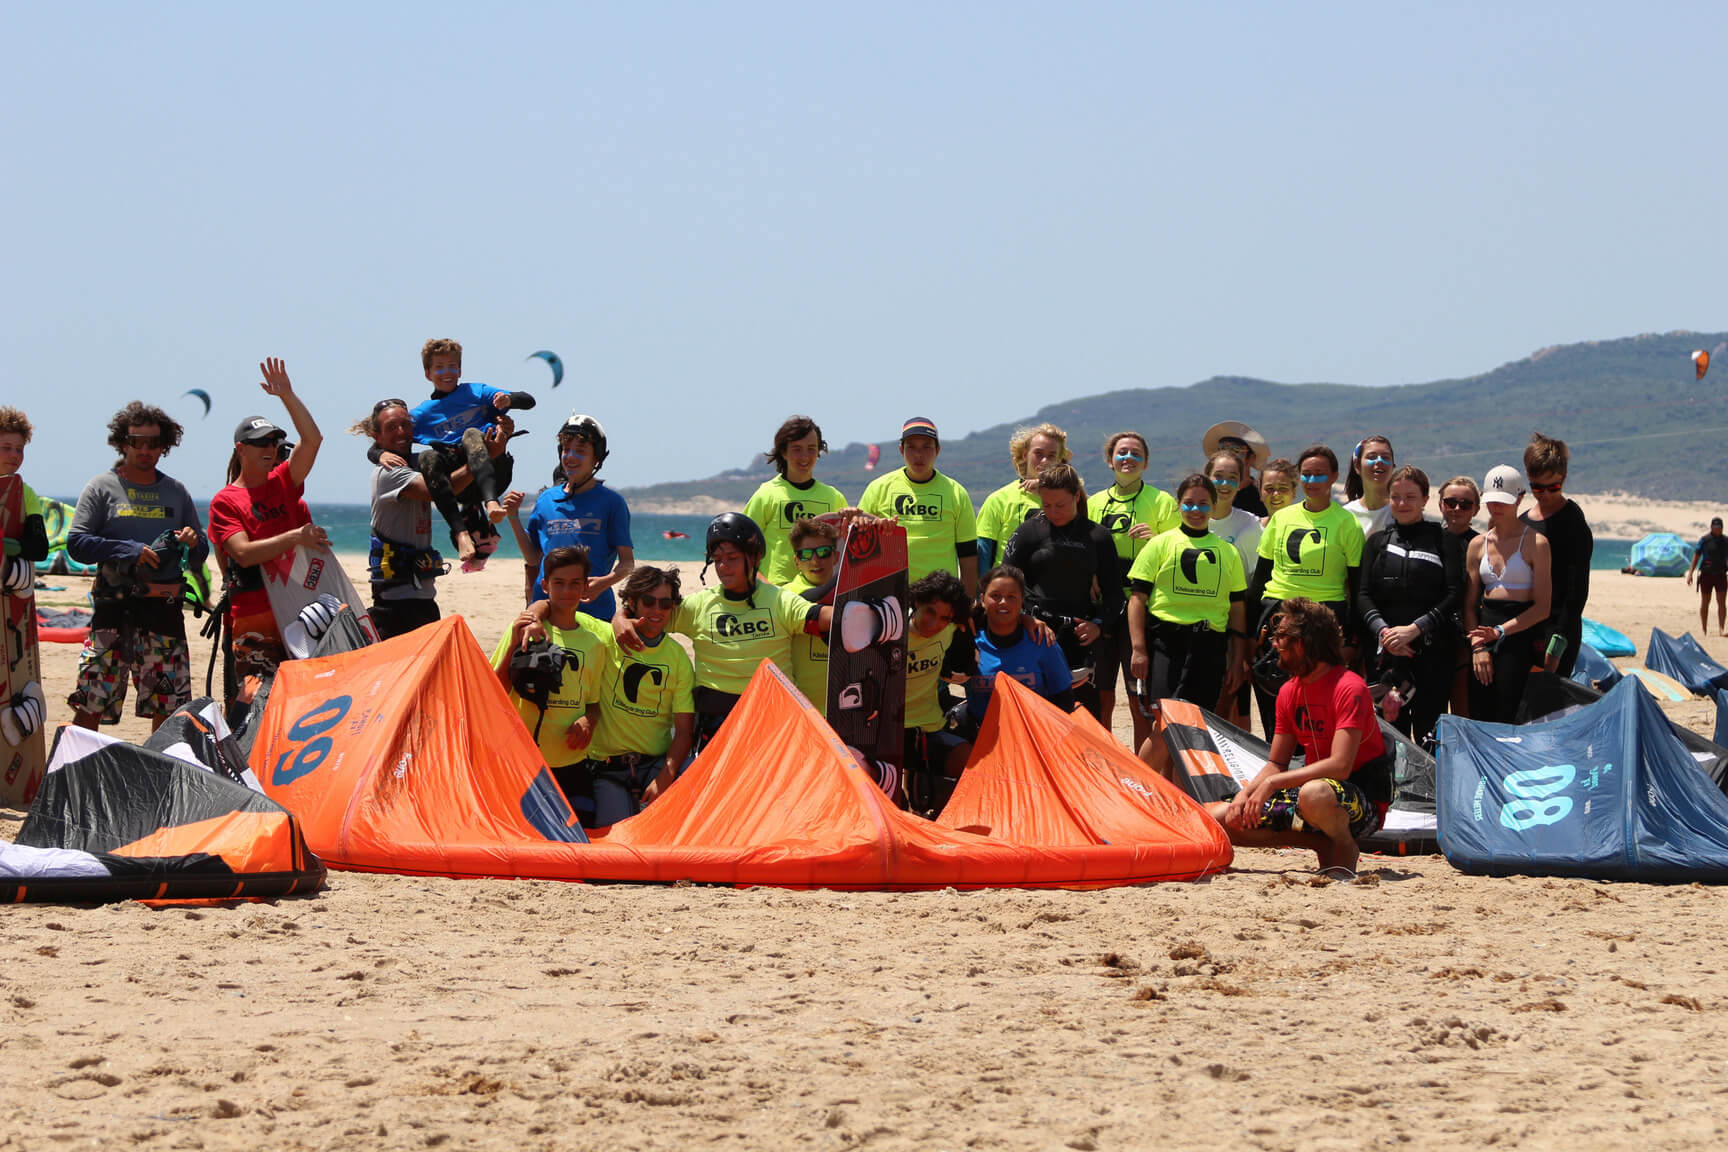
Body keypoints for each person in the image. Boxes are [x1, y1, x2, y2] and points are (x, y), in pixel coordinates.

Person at [609, 513, 831, 755]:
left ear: (756, 557)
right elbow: (649, 614)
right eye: (717, 560)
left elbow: (821, 617)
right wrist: (619, 618)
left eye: (732, 558)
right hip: (717, 726)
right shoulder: (699, 606)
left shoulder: (779, 600)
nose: (723, 567)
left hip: (772, 721)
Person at [1206, 597, 1393, 875]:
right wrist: (1245, 796)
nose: (1274, 644)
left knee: (1314, 793)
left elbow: (1340, 766)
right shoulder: (1289, 691)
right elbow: (1276, 763)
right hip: (1313, 796)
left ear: (1303, 644)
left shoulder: (1349, 687)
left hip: (1360, 801)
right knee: (1219, 818)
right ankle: (1317, 842)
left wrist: (1272, 785)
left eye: (1281, 637)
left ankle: (1344, 844)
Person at [66, 401, 210, 731]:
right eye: (136, 441)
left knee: (169, 708)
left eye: (153, 443)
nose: (145, 450)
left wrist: (193, 541)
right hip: (113, 614)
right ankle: (76, 776)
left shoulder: (176, 492)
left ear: (165, 446)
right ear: (122, 443)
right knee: (91, 701)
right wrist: (129, 550)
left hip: (163, 615)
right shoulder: (101, 488)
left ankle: (160, 781)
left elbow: (201, 552)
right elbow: (77, 544)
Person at [207, 359, 326, 697]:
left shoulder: (284, 481)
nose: (271, 449)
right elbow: (242, 554)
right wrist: (295, 537)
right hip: (254, 614)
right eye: (262, 443)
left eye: (274, 443)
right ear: (241, 449)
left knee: (302, 699)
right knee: (255, 703)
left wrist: (287, 395)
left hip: (296, 608)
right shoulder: (225, 501)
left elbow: (313, 439)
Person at [355, 398, 513, 640]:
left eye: (405, 425)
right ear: (377, 435)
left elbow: (446, 482)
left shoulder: (418, 465)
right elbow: (436, 490)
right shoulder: (388, 473)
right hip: (393, 603)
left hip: (424, 598)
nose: (401, 432)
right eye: (391, 427)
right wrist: (479, 461)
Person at [1126, 474, 1249, 767]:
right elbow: (1137, 599)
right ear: (1179, 505)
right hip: (1167, 644)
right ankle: (1137, 789)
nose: (1196, 510)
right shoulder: (1159, 544)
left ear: (1213, 506)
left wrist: (1236, 659)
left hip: (1210, 647)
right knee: (1166, 724)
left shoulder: (1227, 552)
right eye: (1189, 504)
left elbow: (1237, 610)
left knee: (1196, 729)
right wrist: (1139, 648)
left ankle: (1186, 802)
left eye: (1203, 504)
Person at [1248, 445, 1365, 736]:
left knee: (1317, 707)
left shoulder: (1346, 522)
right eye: (1307, 475)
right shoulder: (1282, 518)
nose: (1312, 481)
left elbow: (1357, 584)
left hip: (1325, 619)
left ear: (1334, 477)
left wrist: (1352, 636)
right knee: (1274, 702)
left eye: (1320, 475)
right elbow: (1261, 577)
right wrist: (1249, 633)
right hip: (1278, 616)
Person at [569, 566, 695, 827]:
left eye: (665, 603)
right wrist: (535, 613)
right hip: (608, 768)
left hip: (655, 764)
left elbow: (683, 731)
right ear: (632, 603)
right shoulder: (606, 637)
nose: (657, 610)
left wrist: (665, 777)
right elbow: (556, 609)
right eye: (648, 601)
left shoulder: (678, 657)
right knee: (613, 844)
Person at [390, 338, 535, 563]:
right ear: (428, 373)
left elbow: (529, 400)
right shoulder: (422, 414)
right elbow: (384, 442)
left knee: (471, 434)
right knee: (428, 457)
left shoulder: (476, 392)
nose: (446, 372)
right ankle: (461, 533)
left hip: (494, 473)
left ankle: (491, 502)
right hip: (461, 484)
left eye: (452, 366)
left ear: (459, 369)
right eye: (439, 367)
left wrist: (509, 399)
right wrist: (380, 454)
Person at [492, 546, 606, 822]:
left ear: (584, 587)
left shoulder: (594, 644)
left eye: (574, 584)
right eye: (559, 583)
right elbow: (494, 689)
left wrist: (588, 722)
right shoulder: (524, 628)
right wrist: (516, 645)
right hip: (525, 763)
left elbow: (593, 704)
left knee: (578, 846)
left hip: (573, 763)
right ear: (544, 585)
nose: (567, 591)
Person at [1002, 463, 1119, 720]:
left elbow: (1114, 594)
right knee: (1035, 717)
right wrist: (1024, 618)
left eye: (1061, 505)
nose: (1053, 512)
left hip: (1079, 637)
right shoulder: (1028, 532)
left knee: (1083, 719)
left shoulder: (1098, 536)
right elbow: (1004, 583)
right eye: (1046, 505)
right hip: (1035, 633)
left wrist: (1098, 625)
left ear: (1077, 496)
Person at [1356, 466, 1463, 745]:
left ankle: (1431, 790)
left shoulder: (1445, 541)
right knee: (1391, 739)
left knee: (1430, 737)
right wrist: (1386, 634)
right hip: (1386, 655)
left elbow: (1454, 595)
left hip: (1431, 653)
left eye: (1410, 497)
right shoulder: (1377, 543)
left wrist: (1414, 630)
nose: (1402, 504)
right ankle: (1393, 790)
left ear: (1426, 498)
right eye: (1396, 496)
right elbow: (1363, 594)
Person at [1088, 430, 1180, 738]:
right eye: (1122, 453)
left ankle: (1141, 767)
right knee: (1101, 693)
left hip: (1142, 604)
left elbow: (1180, 553)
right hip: (1103, 605)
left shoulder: (1162, 502)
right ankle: (1102, 766)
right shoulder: (1094, 502)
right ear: (1110, 460)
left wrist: (1155, 540)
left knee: (1137, 694)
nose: (1129, 458)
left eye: (1136, 453)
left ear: (1147, 462)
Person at [511, 413, 635, 621]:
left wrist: (603, 583)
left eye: (580, 451)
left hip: (595, 610)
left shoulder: (612, 503)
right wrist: (513, 517)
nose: (570, 456)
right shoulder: (546, 500)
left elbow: (627, 563)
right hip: (547, 607)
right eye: (566, 450)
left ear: (597, 458)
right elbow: (533, 557)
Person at [1463, 465, 1552, 724]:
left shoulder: (1537, 543)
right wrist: (1478, 646)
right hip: (1484, 633)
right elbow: (1469, 605)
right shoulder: (1478, 544)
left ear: (1519, 499)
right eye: (1491, 501)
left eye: (1504, 501)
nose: (1496, 507)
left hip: (1520, 637)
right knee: (1480, 712)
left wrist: (1501, 631)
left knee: (1514, 714)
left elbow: (1542, 607)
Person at [951, 566, 1076, 739]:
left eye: (1011, 597)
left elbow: (1065, 701)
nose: (1003, 602)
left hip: (1033, 738)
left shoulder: (1042, 641)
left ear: (1022, 601)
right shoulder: (968, 641)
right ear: (982, 599)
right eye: (995, 596)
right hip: (982, 740)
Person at [858, 417, 979, 595]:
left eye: (926, 447)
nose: (918, 455)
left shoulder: (956, 492)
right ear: (901, 450)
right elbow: (859, 545)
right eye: (911, 447)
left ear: (938, 450)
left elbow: (968, 555)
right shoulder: (878, 488)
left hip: (941, 599)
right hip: (890, 595)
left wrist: (967, 604)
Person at [744, 416, 853, 587]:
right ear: (783, 452)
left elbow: (847, 548)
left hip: (822, 594)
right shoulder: (766, 495)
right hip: (778, 594)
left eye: (811, 448)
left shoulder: (833, 497)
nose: (804, 456)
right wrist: (765, 585)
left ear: (819, 451)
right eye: (797, 449)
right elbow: (743, 549)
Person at [902, 570, 975, 814]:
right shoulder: (892, 629)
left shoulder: (952, 629)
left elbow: (999, 611)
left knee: (969, 761)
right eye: (930, 611)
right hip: (889, 732)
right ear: (917, 601)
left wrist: (1031, 621)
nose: (934, 624)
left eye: (944, 618)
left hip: (929, 727)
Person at [1520, 432, 1592, 677]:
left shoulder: (1573, 521)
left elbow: (1577, 590)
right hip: (1525, 627)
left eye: (1554, 487)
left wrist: (1558, 641)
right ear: (1528, 478)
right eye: (1537, 488)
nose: (1546, 495)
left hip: (1558, 628)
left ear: (1564, 477)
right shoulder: (1522, 523)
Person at [1202, 449, 1262, 729]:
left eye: (1232, 478)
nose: (1224, 484)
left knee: (1235, 707)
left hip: (1233, 627)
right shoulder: (1189, 517)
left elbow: (1253, 582)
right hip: (1194, 625)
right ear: (1207, 478)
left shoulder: (1249, 524)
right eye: (1218, 477)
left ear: (1241, 483)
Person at [975, 423, 1070, 572]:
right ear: (1025, 455)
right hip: (1009, 590)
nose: (1044, 461)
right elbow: (983, 553)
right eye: (1038, 454)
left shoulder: (1070, 501)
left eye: (1051, 456)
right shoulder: (999, 500)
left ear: (1059, 460)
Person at [783, 517, 842, 714]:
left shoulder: (848, 591)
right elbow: (807, 601)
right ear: (797, 561)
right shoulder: (784, 596)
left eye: (824, 552)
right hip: (800, 711)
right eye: (806, 554)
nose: (815, 560)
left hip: (843, 711)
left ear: (835, 557)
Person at [1438, 475, 1482, 718]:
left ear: (1475, 509)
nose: (1457, 508)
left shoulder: (1483, 544)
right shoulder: (1429, 540)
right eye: (1450, 502)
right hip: (1431, 638)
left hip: (1466, 640)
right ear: (1440, 504)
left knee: (1463, 714)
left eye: (1465, 504)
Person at [0, 407, 48, 572]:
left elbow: (39, 548)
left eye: (19, 449)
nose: (14, 455)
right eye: (6, 447)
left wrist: (4, 546)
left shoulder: (26, 493)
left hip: (9, 589)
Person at [1202, 421, 1269, 517]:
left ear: (1251, 458)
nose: (1229, 458)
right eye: (1222, 450)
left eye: (1236, 451)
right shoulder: (1201, 497)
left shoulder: (1263, 498)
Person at [1342, 435, 1397, 537]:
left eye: (1385, 457)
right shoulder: (1345, 515)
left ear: (1393, 466)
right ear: (1357, 466)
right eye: (1371, 457)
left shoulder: (1402, 511)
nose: (1379, 461)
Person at [1687, 517, 1728, 635]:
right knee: (1705, 602)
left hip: (1721, 575)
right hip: (1706, 575)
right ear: (1711, 528)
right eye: (1715, 528)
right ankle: (1704, 628)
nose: (1717, 530)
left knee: (1721, 602)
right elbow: (1696, 556)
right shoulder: (1705, 540)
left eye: (1719, 528)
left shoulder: (1726, 541)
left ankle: (1721, 629)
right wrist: (1690, 573)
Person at [1258, 458, 1298, 522]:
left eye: (1283, 488)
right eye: (1269, 488)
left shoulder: (1305, 529)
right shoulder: (1252, 528)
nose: (1276, 494)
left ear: (1294, 492)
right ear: (1260, 492)